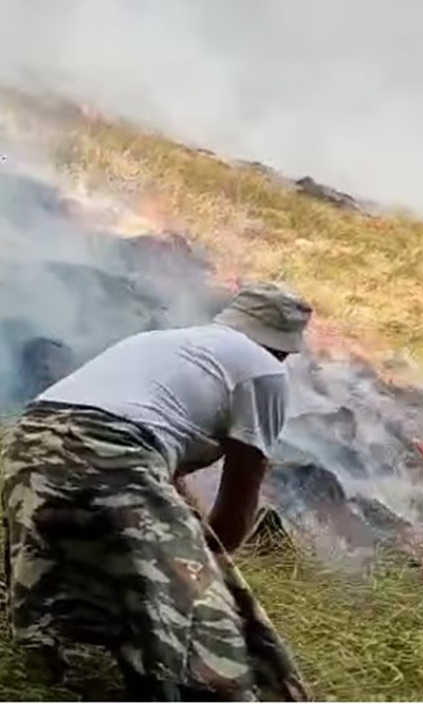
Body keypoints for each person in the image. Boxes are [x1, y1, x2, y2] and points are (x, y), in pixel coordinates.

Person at [1, 281, 314, 701]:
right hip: (110, 450)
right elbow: (239, 500)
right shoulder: (265, 370)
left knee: (67, 569)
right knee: (212, 628)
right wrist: (207, 565)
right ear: (283, 346)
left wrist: (180, 535)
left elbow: (159, 465)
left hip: (28, 441)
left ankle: (49, 678)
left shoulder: (165, 341)